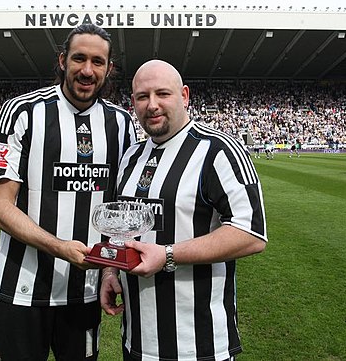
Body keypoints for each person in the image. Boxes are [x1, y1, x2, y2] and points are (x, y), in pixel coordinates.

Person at [0, 23, 136, 361]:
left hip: (83, 294)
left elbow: (119, 211)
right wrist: (59, 247)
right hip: (21, 290)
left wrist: (110, 268)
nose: (87, 70)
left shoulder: (122, 124)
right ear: (62, 60)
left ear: (108, 69)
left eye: (98, 62)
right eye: (79, 59)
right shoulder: (23, 112)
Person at [100, 60, 268, 361]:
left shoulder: (218, 150)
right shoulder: (131, 157)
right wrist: (110, 270)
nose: (151, 105)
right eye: (142, 96)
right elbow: (120, 225)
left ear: (185, 96)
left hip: (197, 345)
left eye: (162, 94)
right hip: (136, 342)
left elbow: (250, 233)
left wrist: (167, 255)